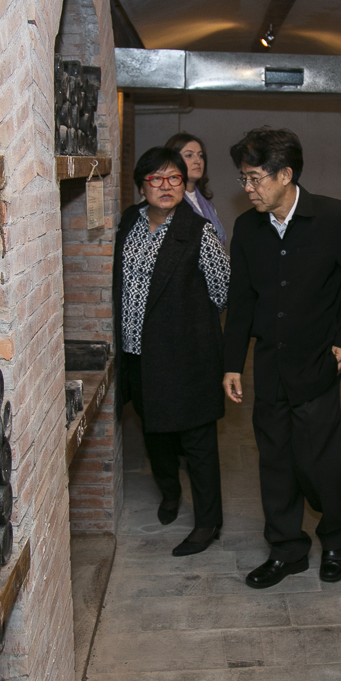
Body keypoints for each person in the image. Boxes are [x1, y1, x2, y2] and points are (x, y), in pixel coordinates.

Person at [222, 126, 341, 589]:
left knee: (319, 463)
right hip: (269, 366)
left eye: (255, 178)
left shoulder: (333, 218)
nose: (248, 188)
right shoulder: (248, 227)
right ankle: (286, 549)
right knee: (275, 463)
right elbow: (241, 299)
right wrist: (232, 363)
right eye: (244, 179)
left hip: (317, 364)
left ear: (285, 174)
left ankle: (335, 538)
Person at [113, 147, 231, 557]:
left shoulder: (198, 232)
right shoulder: (129, 222)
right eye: (156, 179)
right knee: (154, 432)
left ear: (184, 184)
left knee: (198, 442)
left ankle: (208, 522)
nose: (166, 186)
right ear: (141, 186)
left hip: (185, 356)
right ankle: (169, 492)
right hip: (137, 353)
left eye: (175, 178)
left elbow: (222, 292)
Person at [166, 132, 227, 244]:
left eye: (200, 156)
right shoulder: (166, 201)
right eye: (189, 155)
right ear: (173, 160)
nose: (197, 161)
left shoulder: (207, 205)